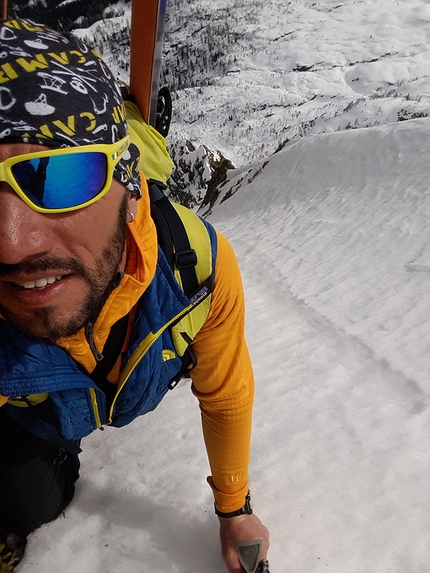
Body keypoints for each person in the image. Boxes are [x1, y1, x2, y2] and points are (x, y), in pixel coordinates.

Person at [0, 18, 269, 573]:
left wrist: (235, 508)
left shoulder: (196, 272)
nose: (11, 244)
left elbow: (224, 393)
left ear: (128, 186)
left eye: (57, 178)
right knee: (30, 502)